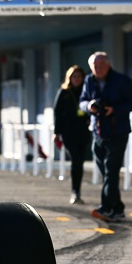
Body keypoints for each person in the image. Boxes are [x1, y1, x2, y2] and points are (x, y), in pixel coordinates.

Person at [79, 51, 132, 222]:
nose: (97, 69)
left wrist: (114, 109)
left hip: (118, 131)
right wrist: (89, 106)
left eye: (101, 66)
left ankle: (106, 208)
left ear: (108, 65)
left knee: (111, 170)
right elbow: (82, 101)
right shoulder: (88, 80)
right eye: (94, 67)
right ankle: (118, 208)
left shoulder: (122, 80)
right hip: (98, 131)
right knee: (106, 172)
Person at [53, 65, 90, 204]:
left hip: (83, 132)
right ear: (70, 78)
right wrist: (56, 133)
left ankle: (77, 191)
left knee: (80, 161)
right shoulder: (64, 92)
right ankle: (75, 192)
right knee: (76, 160)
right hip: (68, 133)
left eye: (79, 76)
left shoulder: (86, 92)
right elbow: (57, 113)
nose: (77, 79)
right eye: (74, 76)